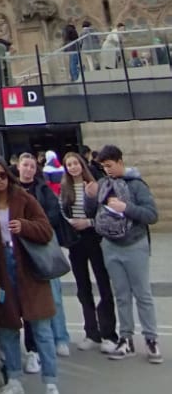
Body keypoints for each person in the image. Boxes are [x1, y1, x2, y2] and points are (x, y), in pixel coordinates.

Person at [0, 158, 63, 394]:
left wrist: (24, 226)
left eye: (2, 175)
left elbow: (46, 229)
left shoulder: (24, 199)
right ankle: (14, 380)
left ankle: (51, 384)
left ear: (9, 176)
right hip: (2, 268)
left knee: (41, 328)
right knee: (7, 327)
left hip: (28, 267)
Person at [83, 144, 162, 362]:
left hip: (135, 244)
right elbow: (93, 212)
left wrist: (126, 208)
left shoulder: (136, 184)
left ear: (120, 161)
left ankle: (151, 339)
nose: (107, 170)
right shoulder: (103, 184)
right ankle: (126, 339)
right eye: (103, 167)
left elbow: (152, 215)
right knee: (121, 295)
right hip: (110, 245)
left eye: (110, 165)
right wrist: (90, 197)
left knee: (142, 294)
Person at [59, 151, 117, 351]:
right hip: (76, 241)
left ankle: (109, 333)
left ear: (82, 165)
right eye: (69, 165)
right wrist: (69, 222)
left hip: (94, 237)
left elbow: (105, 211)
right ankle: (91, 332)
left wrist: (89, 222)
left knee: (103, 284)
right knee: (83, 287)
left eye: (75, 163)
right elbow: (61, 211)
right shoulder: (65, 188)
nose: (73, 167)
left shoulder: (94, 185)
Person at [17, 153, 71, 359]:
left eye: (32, 166)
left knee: (53, 294)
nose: (28, 169)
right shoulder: (12, 190)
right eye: (25, 165)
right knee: (30, 297)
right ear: (18, 167)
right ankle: (37, 343)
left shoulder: (43, 189)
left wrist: (34, 226)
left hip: (43, 243)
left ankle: (61, 337)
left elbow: (53, 214)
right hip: (21, 245)